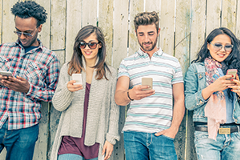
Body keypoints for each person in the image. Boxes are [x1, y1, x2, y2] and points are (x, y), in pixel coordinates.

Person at [115, 11, 185, 160]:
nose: (146, 39)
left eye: (151, 33)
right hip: (134, 133)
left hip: (163, 133)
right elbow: (119, 98)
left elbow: (179, 99)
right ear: (135, 33)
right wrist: (130, 94)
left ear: (158, 32)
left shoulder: (173, 62)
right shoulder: (127, 63)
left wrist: (173, 129)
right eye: (141, 34)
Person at [0, 1, 60, 160]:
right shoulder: (3, 49)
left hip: (24, 129)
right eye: (18, 31)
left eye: (27, 32)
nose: (21, 36)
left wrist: (28, 89)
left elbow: (54, 95)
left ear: (39, 28)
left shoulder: (49, 58)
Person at [50, 25, 120, 160]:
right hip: (70, 139)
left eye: (92, 44)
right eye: (83, 44)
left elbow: (114, 109)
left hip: (96, 140)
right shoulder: (68, 69)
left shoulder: (110, 74)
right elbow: (58, 105)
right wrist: (67, 91)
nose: (87, 48)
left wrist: (110, 139)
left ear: (100, 45)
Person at [184, 27, 240, 160]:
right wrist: (212, 88)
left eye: (227, 46)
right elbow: (189, 103)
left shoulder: (236, 69)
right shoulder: (196, 69)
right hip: (207, 135)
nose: (222, 50)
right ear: (208, 45)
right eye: (218, 45)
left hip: (235, 135)